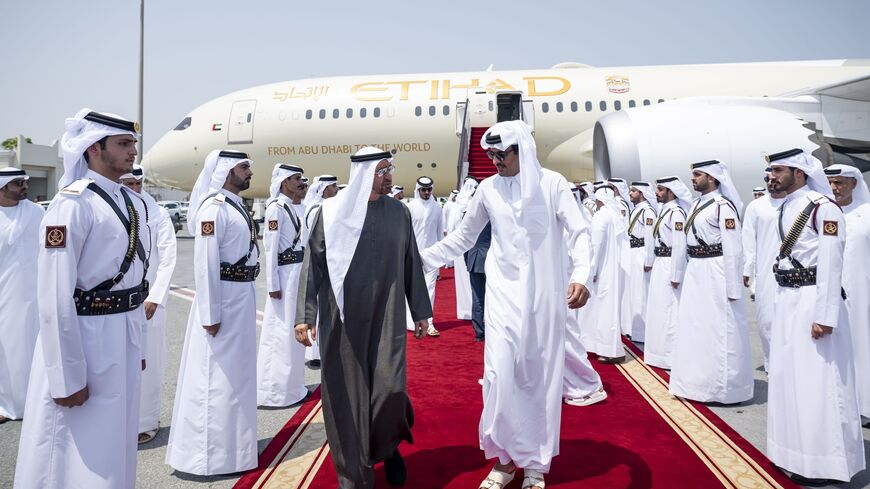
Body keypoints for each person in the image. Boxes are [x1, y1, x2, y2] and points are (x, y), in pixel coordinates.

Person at [420, 121, 591, 489]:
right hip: (502, 298)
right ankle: (503, 460)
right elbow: (463, 237)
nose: (495, 160)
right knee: (498, 377)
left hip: (544, 299)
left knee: (540, 381)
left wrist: (582, 274)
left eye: (501, 154)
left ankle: (535, 465)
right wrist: (419, 259)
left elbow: (579, 231)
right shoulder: (487, 189)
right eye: (490, 154)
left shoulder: (553, 184)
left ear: (522, 151)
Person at [14, 109, 148, 488]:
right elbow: (55, 297)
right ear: (93, 149)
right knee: (79, 448)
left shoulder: (128, 200)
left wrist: (136, 345)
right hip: (86, 341)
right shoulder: (72, 203)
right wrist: (65, 376)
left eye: (133, 143)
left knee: (115, 441)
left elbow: (136, 282)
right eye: (123, 144)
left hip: (120, 334)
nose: (132, 151)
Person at [295, 146, 431, 488]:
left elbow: (411, 261)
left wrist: (421, 312)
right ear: (364, 174)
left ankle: (386, 447)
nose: (390, 177)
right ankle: (354, 477)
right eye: (383, 170)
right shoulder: (331, 212)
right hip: (342, 318)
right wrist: (305, 315)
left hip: (387, 314)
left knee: (390, 389)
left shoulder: (399, 212)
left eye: (390, 169)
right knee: (346, 398)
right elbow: (314, 266)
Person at [766, 148, 864, 485]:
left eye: (778, 171)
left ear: (800, 173)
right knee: (790, 381)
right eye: (769, 172)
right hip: (788, 300)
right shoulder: (788, 207)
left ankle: (826, 464)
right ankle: (793, 455)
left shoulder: (823, 208)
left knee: (819, 385)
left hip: (812, 303)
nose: (771, 178)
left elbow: (831, 264)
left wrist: (825, 315)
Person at [165, 149, 260, 475]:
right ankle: (208, 456)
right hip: (222, 304)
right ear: (224, 171)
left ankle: (235, 451)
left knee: (237, 377)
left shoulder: (234, 206)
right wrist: (210, 314)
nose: (250, 172)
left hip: (240, 297)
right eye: (244, 167)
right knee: (215, 379)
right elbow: (204, 265)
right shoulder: (213, 208)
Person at [669, 160, 753, 404]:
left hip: (716, 271)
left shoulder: (722, 207)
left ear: (713, 178)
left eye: (698, 174)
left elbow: (733, 249)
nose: (693, 178)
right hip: (696, 270)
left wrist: (733, 286)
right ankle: (696, 383)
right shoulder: (696, 204)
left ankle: (722, 388)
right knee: (695, 327)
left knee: (719, 328)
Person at [119, 165, 177, 444]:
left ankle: (145, 421)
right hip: (115, 303)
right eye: (127, 183)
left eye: (137, 184)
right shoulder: (111, 210)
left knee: (149, 362)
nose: (133, 189)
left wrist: (156, 296)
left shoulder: (158, 214)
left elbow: (168, 258)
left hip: (148, 302)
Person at [257, 164, 310, 407]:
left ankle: (293, 387)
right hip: (285, 277)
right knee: (281, 333)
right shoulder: (276, 209)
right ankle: (275, 391)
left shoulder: (293, 207)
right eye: (295, 178)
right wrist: (272, 284)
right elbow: (270, 248)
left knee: (294, 331)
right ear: (283, 182)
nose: (301, 182)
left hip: (296, 274)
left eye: (300, 178)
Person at [825, 163, 870, 424]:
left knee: (862, 348)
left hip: (862, 294)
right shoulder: (825, 213)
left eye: (840, 183)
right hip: (832, 296)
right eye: (831, 183)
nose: (834, 188)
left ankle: (864, 405)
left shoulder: (866, 213)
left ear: (854, 184)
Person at [0, 168, 43, 424]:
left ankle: (37, 402)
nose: (25, 186)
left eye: (26, 181)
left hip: (37, 293)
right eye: (19, 182)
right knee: (8, 349)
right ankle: (7, 405)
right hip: (6, 294)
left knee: (36, 347)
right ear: (3, 186)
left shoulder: (37, 213)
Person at [643, 176, 691, 369]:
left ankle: (671, 356)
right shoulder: (665, 211)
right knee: (660, 310)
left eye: (661, 189)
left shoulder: (677, 213)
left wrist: (676, 274)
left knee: (670, 310)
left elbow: (679, 245)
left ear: (671, 192)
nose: (657, 193)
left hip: (670, 264)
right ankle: (659, 354)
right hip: (660, 264)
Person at [578, 184, 627, 363]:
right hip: (613, 268)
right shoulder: (614, 215)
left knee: (601, 310)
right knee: (607, 309)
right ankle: (604, 347)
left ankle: (610, 350)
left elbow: (596, 246)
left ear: (598, 199)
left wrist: (592, 271)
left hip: (603, 270)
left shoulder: (600, 216)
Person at [741, 169, 784, 372]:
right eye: (766, 179)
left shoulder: (801, 204)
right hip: (767, 273)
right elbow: (748, 240)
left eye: (774, 178)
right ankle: (771, 364)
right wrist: (747, 269)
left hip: (800, 275)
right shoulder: (756, 206)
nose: (770, 182)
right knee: (767, 321)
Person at [301, 174, 338, 366]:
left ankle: (317, 354)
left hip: (325, 266)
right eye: (333, 187)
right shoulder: (317, 209)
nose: (336, 189)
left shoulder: (324, 208)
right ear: (324, 190)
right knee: (319, 310)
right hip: (320, 266)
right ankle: (316, 355)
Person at [407, 176, 443, 336]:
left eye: (429, 189)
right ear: (418, 190)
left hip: (432, 255)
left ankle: (429, 323)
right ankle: (411, 322)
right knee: (412, 290)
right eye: (424, 190)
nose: (427, 192)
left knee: (430, 289)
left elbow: (440, 232)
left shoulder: (437, 207)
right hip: (413, 256)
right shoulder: (410, 207)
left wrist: (442, 255)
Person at [624, 181, 658, 342]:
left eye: (634, 191)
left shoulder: (648, 211)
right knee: (634, 292)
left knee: (641, 294)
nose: (630, 193)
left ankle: (643, 333)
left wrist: (649, 260)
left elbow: (650, 237)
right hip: (633, 253)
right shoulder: (637, 210)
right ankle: (635, 329)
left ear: (642, 193)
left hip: (641, 254)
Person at [451, 176, 479, 321]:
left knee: (464, 281)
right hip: (469, 247)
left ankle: (466, 310)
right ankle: (470, 310)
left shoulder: (457, 205)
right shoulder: (470, 205)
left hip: (459, 247)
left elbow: (449, 228)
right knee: (471, 282)